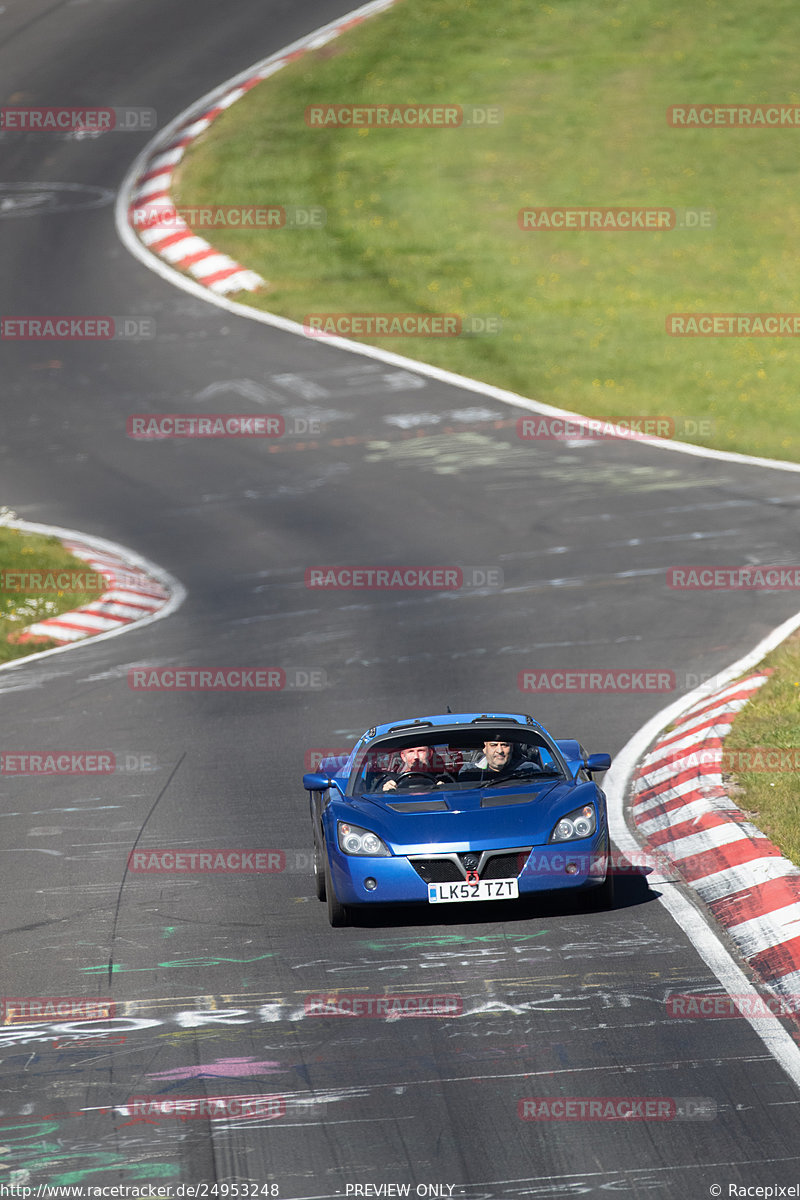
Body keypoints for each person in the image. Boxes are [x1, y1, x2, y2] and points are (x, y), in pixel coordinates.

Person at [458, 737, 540, 784]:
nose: (500, 750)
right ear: (485, 748)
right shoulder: (469, 772)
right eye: (493, 745)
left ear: (511, 748)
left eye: (504, 745)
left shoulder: (530, 769)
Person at [377, 745, 442, 792]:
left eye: (421, 751)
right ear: (403, 756)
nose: (416, 756)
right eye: (410, 752)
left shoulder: (442, 778)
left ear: (430, 754)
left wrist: (445, 788)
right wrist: (385, 792)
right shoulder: (390, 781)